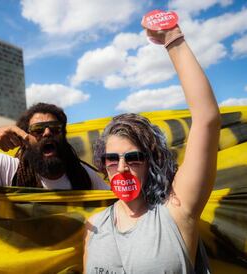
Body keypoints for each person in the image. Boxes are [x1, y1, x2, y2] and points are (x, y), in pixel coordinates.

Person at [83, 25, 220, 273]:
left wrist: (171, 38)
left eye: (133, 158)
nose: (122, 167)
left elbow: (207, 118)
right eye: (112, 159)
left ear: (150, 161)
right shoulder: (93, 226)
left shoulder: (177, 211)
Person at [0, 103, 109, 190]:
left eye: (54, 129)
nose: (47, 133)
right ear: (24, 138)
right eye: (38, 130)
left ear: (63, 135)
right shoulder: (7, 169)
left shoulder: (85, 176)